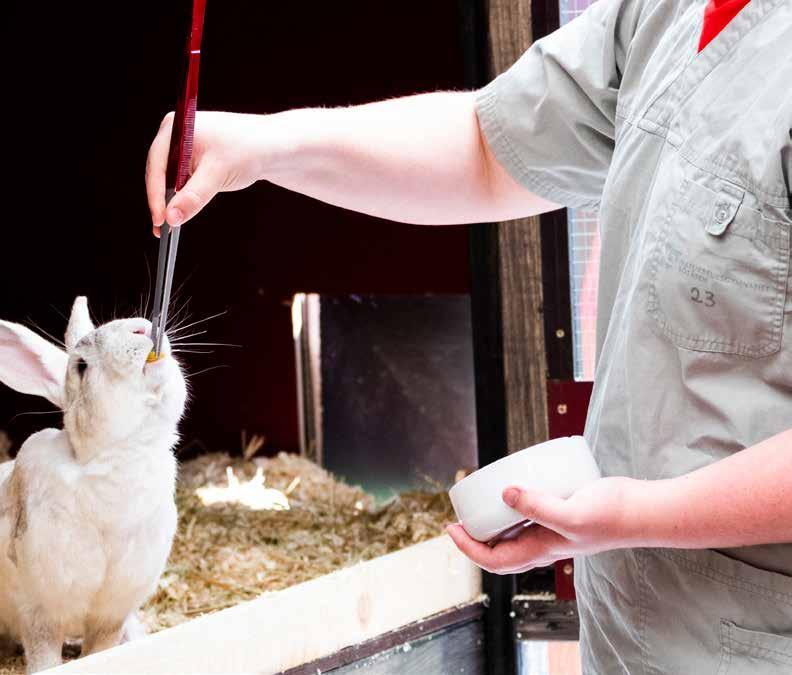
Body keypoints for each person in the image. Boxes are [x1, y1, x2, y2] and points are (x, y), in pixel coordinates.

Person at [146, 0, 792, 672]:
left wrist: (640, 513)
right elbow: (492, 146)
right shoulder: (664, 11)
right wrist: (269, 146)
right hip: (636, 638)